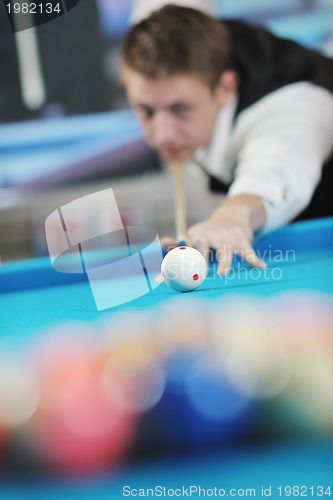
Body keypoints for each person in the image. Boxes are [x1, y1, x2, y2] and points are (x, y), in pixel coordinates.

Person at [121, 4, 333, 275]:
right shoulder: (167, 37)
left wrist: (230, 217)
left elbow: (271, 174)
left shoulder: (294, 108)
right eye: (146, 111)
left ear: (225, 89)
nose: (163, 135)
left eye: (180, 109)